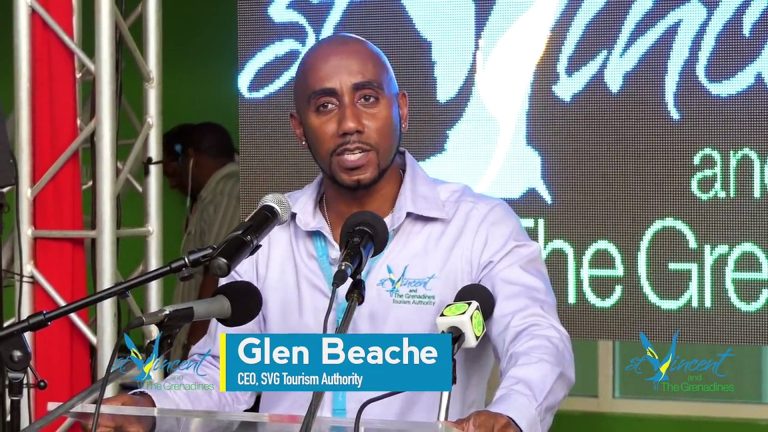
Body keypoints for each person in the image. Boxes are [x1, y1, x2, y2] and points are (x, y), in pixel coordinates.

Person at [98, 34, 574, 432]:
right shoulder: (269, 236)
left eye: (367, 99)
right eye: (325, 105)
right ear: (300, 128)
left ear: (401, 109)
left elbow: (537, 340)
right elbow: (224, 369)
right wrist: (151, 407)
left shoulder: (479, 225)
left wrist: (511, 414)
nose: (349, 123)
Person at [160, 122, 240, 360]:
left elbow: (217, 271)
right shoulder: (212, 195)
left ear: (190, 158)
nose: (172, 184)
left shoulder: (227, 191)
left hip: (206, 353)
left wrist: (194, 346)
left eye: (173, 173)